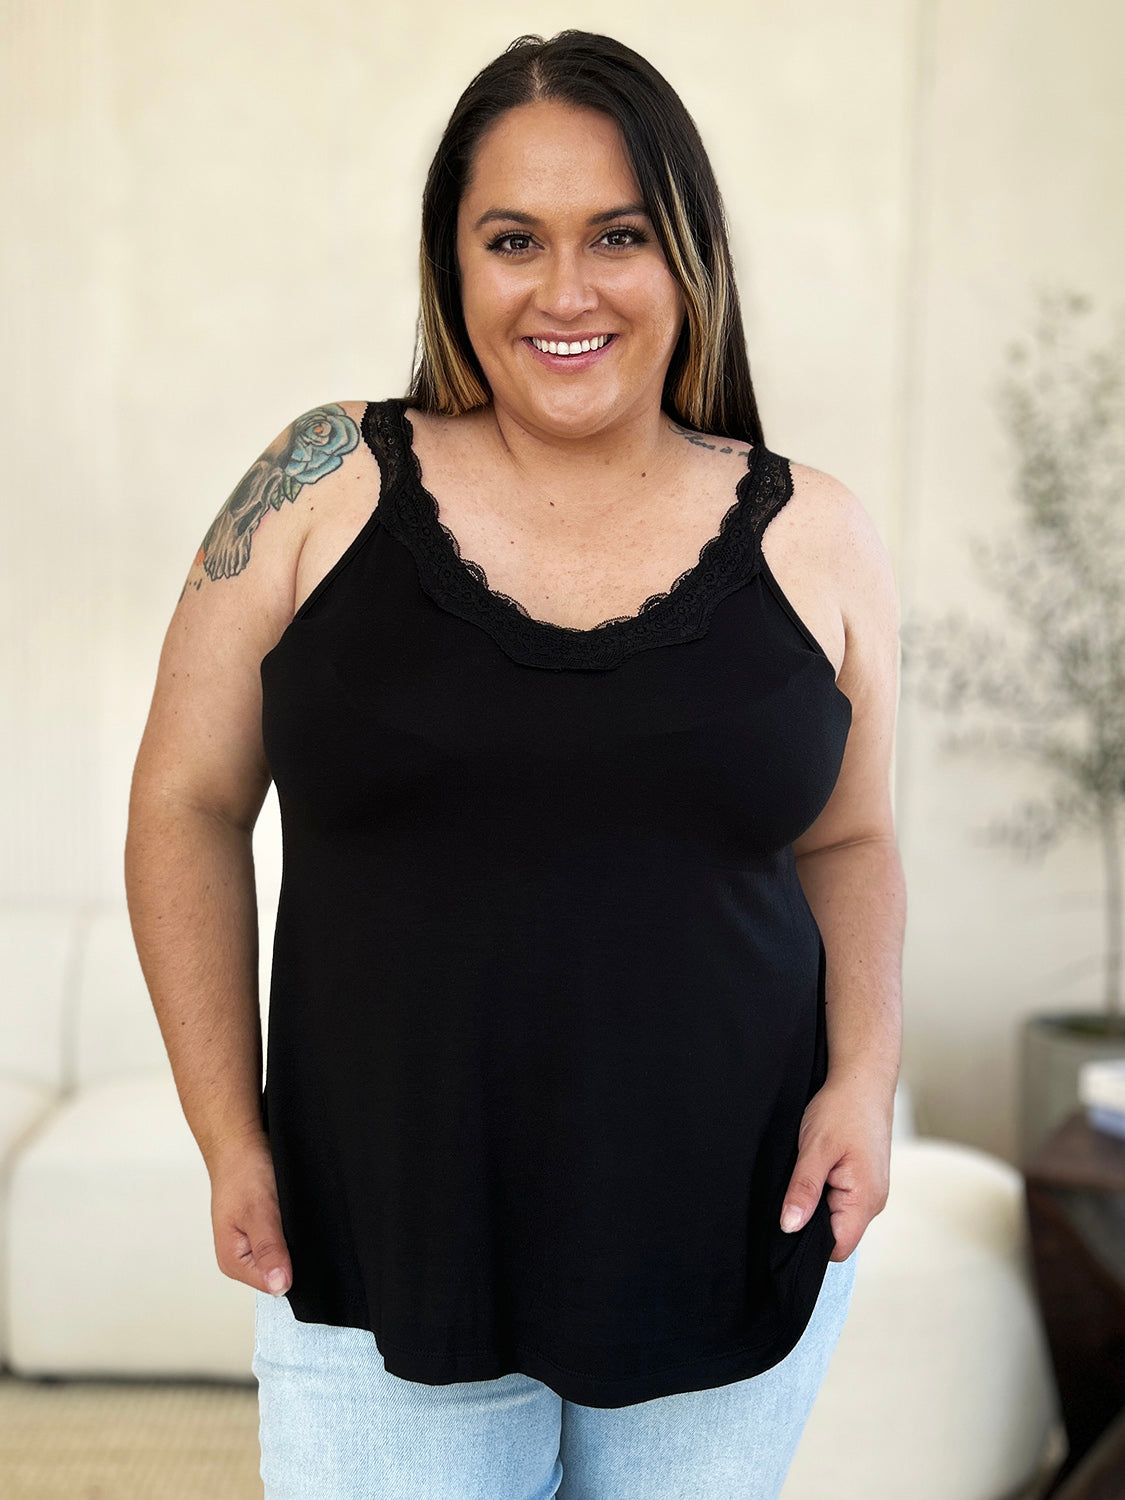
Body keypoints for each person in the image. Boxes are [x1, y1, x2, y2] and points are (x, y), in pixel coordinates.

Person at [124, 28, 904, 1500]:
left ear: (685, 257)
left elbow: (850, 843)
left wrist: (862, 1077)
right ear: (453, 263)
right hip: (376, 1242)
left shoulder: (818, 533)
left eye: (616, 236)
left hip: (729, 1236)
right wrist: (227, 1134)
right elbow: (185, 803)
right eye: (512, 240)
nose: (565, 291)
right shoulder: (317, 483)